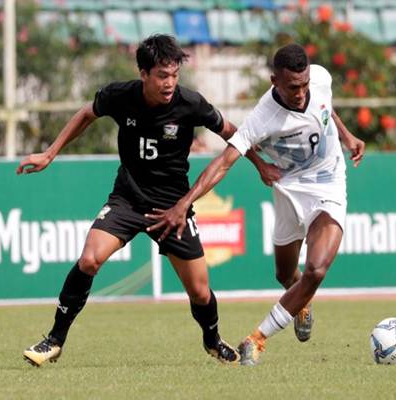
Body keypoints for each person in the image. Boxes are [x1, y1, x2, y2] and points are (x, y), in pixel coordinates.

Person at [17, 34, 259, 367]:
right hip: (127, 200)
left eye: (174, 75)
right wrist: (49, 153)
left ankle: (213, 340)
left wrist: (263, 165)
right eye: (162, 75)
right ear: (143, 73)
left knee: (201, 293)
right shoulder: (121, 96)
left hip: (174, 208)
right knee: (89, 260)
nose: (170, 83)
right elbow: (86, 114)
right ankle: (54, 340)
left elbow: (234, 133)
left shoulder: (191, 103)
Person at [146, 43, 365, 366]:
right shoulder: (264, 117)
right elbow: (223, 163)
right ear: (274, 80)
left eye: (304, 84)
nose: (301, 93)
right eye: (293, 87)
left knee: (316, 269)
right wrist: (184, 203)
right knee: (285, 274)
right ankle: (300, 302)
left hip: (328, 180)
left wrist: (346, 137)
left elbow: (325, 107)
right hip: (288, 188)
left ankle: (257, 338)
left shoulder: (318, 78)